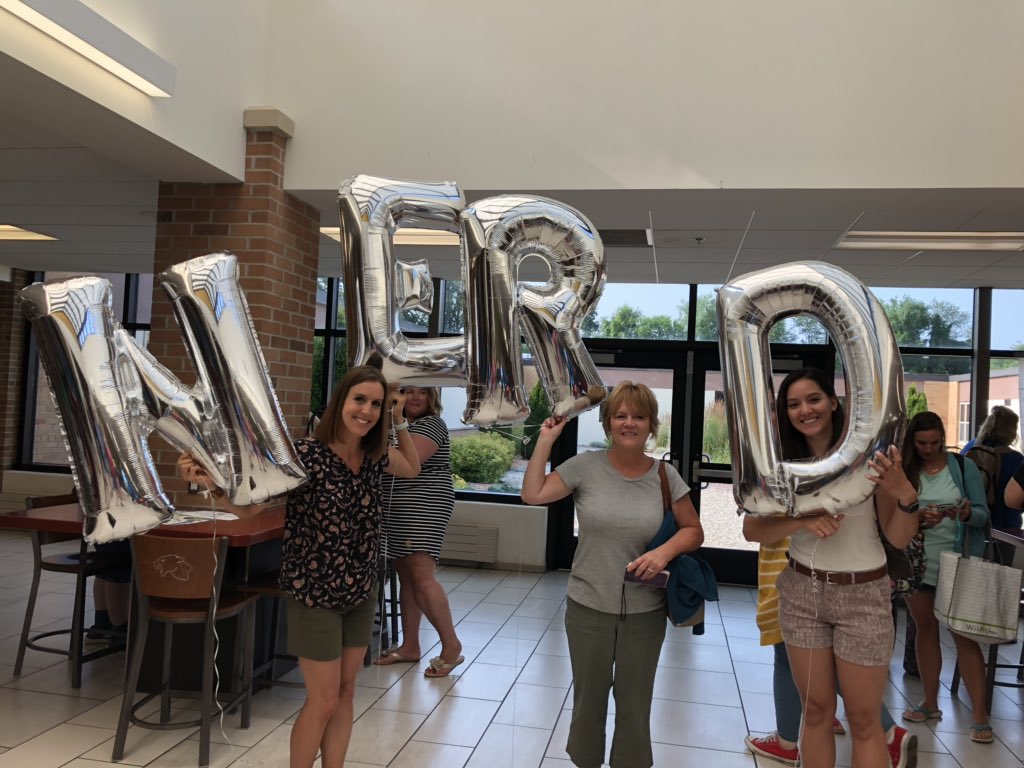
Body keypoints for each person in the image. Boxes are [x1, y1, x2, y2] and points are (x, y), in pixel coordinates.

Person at [179, 365, 421, 768]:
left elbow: (412, 467)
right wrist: (213, 486)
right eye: (359, 400)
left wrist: (399, 421)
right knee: (323, 699)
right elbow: (253, 507)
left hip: (360, 590)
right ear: (340, 401)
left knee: (345, 693)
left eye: (376, 404)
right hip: (315, 594)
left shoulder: (375, 456)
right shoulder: (303, 455)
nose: (367, 411)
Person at [741, 368, 919, 768]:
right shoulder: (781, 463)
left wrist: (906, 495)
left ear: (834, 401)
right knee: (817, 712)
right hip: (802, 591)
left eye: (813, 399)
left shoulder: (869, 458)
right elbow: (753, 528)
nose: (805, 410)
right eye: (793, 404)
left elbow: (898, 537)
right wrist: (802, 521)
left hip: (864, 595)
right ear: (785, 413)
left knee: (863, 721)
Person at [521, 381, 703, 768]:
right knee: (589, 702)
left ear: (652, 425)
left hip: (645, 611)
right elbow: (532, 493)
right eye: (620, 415)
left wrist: (663, 551)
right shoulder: (585, 468)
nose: (629, 423)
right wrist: (546, 441)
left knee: (635, 704)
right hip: (588, 606)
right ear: (607, 424)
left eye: (639, 416)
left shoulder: (665, 476)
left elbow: (693, 530)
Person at [743, 535, 917, 768]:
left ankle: (788, 740)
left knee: (795, 661)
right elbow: (754, 526)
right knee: (813, 683)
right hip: (800, 571)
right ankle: (881, 729)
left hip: (804, 569)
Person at [898, 411, 993, 744]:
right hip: (917, 561)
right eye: (921, 443)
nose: (928, 449)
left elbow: (983, 514)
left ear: (943, 438)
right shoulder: (906, 471)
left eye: (934, 443)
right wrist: (918, 519)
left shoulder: (962, 467)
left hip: (959, 561)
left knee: (963, 635)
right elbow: (894, 514)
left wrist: (965, 513)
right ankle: (929, 701)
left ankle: (979, 715)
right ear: (912, 441)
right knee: (925, 628)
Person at [373, 386, 463, 677]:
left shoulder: (430, 424)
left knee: (422, 576)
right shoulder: (391, 422)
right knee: (406, 577)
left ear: (431, 398)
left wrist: (362, 444)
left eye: (421, 392)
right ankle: (410, 646)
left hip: (423, 504)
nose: (413, 397)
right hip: (395, 506)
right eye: (406, 391)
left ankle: (451, 645)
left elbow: (405, 463)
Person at [963, 404, 1024, 529]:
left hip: (972, 519)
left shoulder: (970, 448)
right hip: (1004, 525)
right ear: (1011, 430)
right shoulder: (1015, 458)